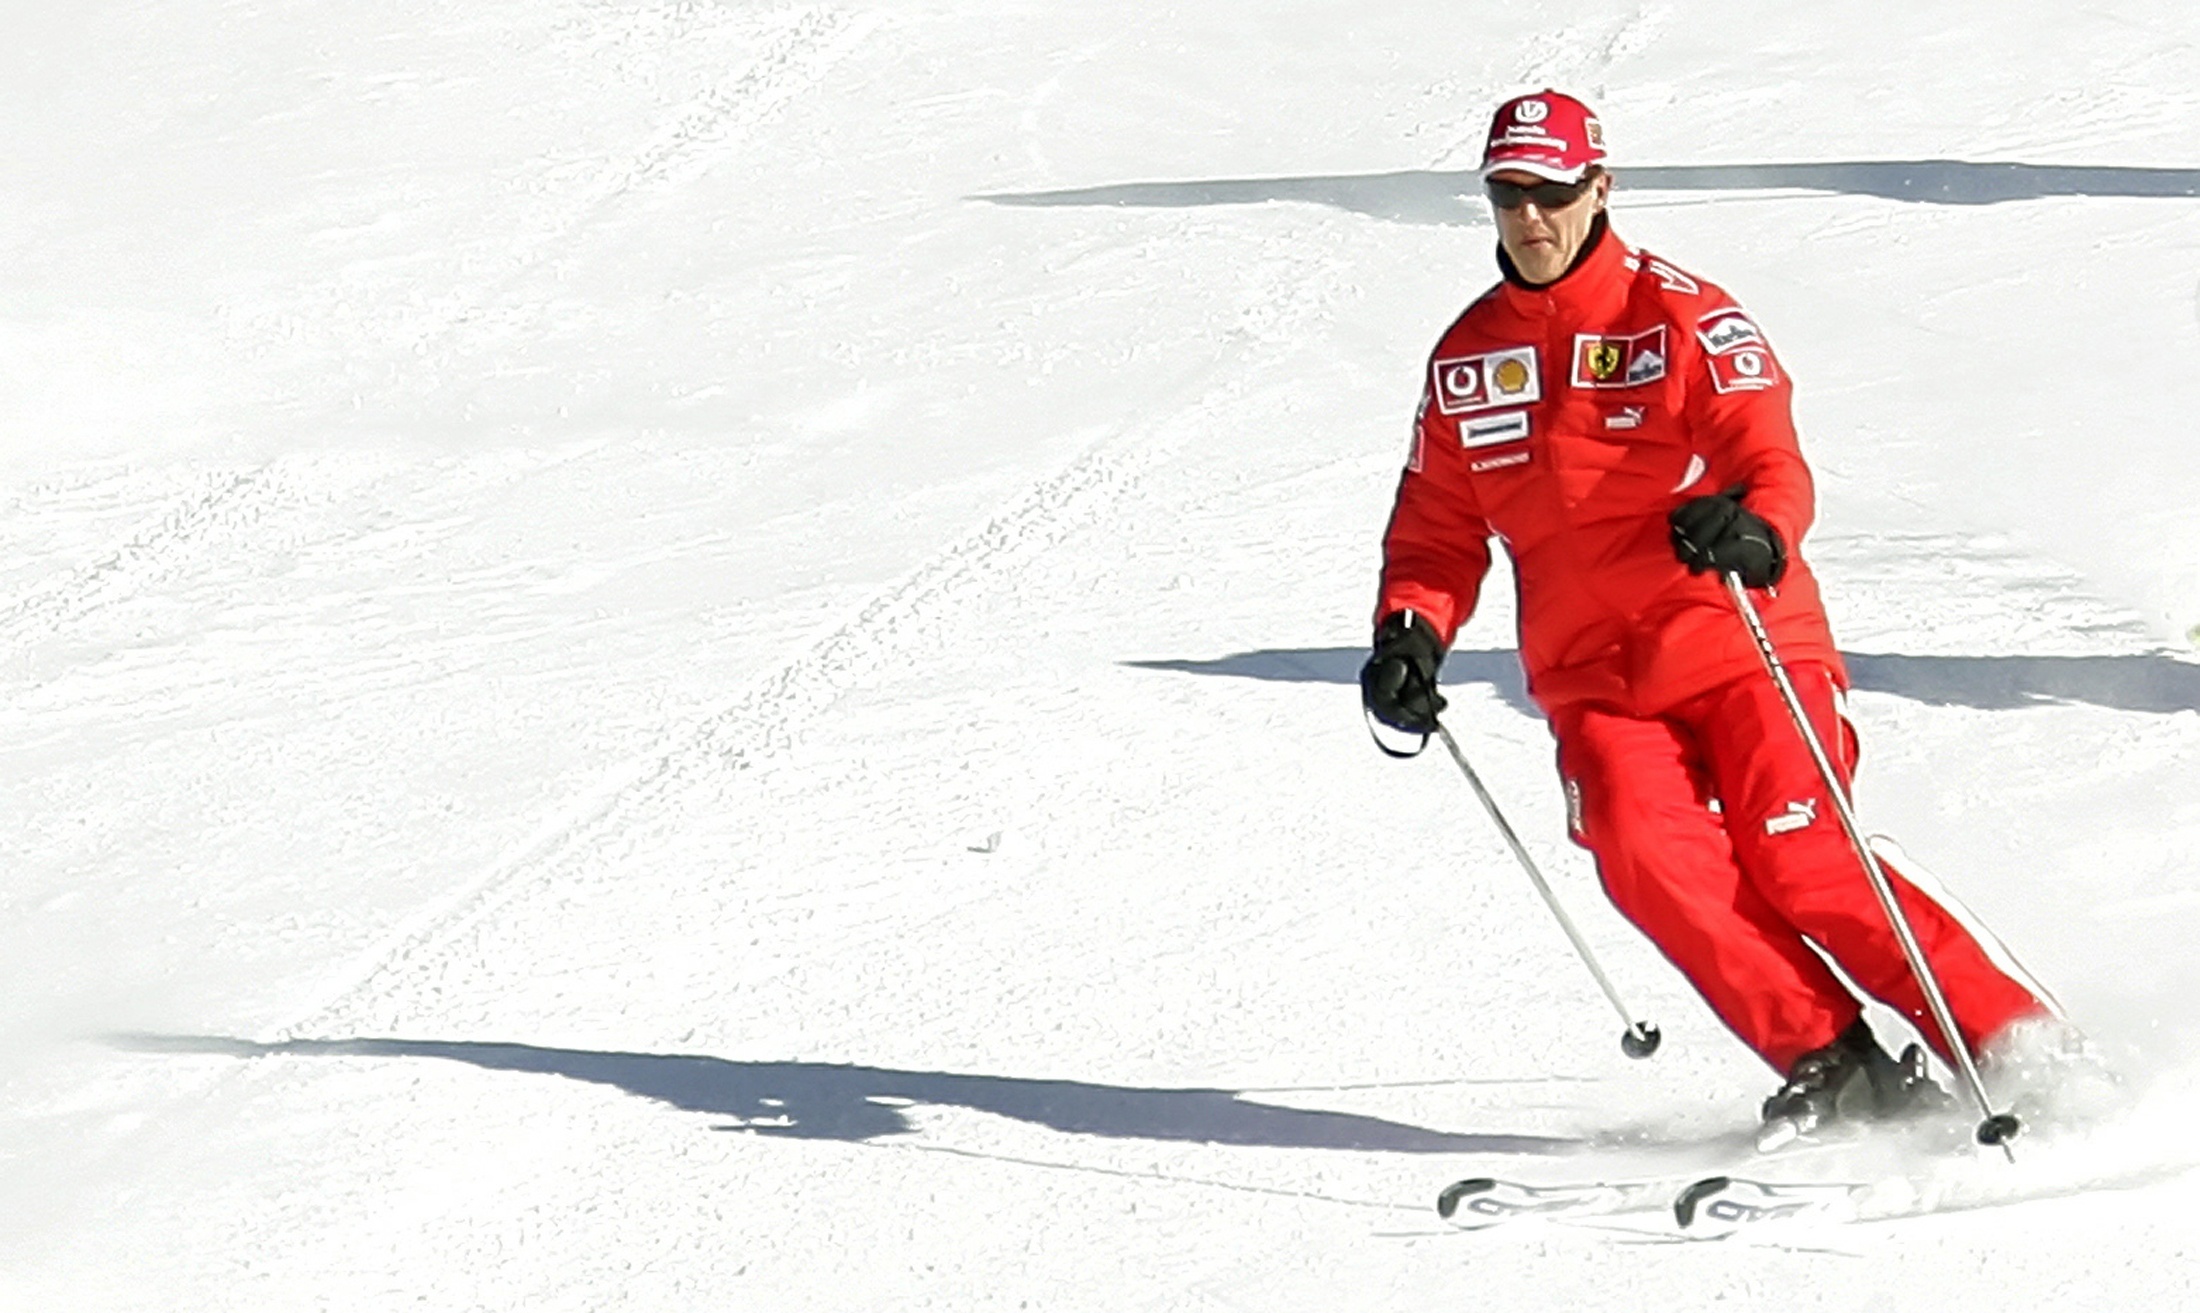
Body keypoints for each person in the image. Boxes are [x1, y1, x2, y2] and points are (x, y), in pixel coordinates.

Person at [1360, 89, 2049, 1142]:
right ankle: (1839, 1065)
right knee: (1644, 850)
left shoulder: (1677, 313)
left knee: (1802, 854)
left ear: (1600, 187)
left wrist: (1756, 526)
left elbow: (1765, 452)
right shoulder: (1466, 360)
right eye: (1508, 196)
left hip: (1737, 641)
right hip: (1594, 676)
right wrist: (1410, 630)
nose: (1531, 218)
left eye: (1551, 192)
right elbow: (1436, 531)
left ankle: (2012, 1043)